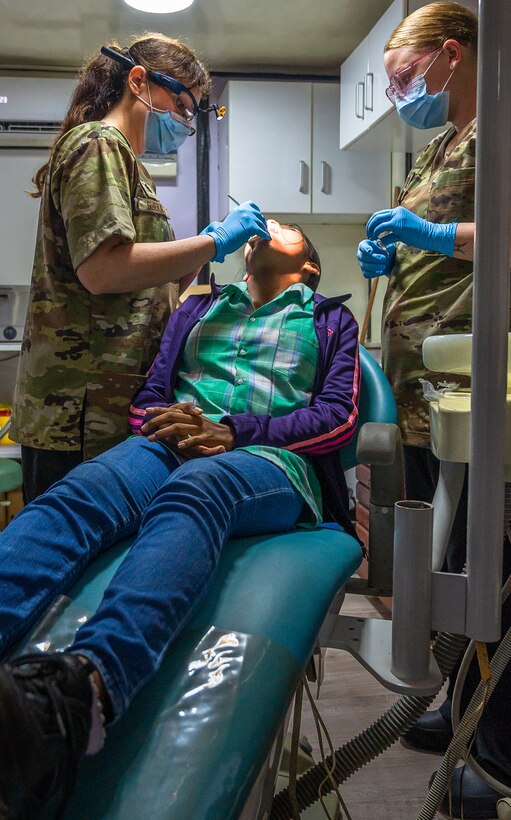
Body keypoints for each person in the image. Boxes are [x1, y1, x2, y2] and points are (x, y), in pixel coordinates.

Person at [0, 220, 360, 817]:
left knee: (196, 491)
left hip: (264, 458)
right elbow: (149, 397)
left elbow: (337, 418)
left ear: (310, 267)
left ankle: (84, 693)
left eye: (286, 227)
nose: (267, 223)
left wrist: (232, 431)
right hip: (169, 444)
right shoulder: (197, 309)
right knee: (80, 492)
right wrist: (168, 424)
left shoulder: (329, 320)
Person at [356, 3, 511, 817]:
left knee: (482, 568)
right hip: (423, 387)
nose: (397, 96)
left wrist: (433, 232)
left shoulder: (500, 125)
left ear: (452, 53)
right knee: (450, 567)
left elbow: (502, 232)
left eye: (403, 78)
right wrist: (392, 242)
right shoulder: (445, 141)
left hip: (472, 386)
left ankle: (489, 741)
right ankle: (459, 704)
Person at [9, 33, 270, 503]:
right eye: (184, 106)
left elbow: (153, 285)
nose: (187, 124)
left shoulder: (132, 166)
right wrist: (214, 240)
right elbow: (102, 271)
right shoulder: (98, 143)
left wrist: (208, 249)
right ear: (139, 81)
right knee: (63, 559)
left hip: (115, 407)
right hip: (76, 414)